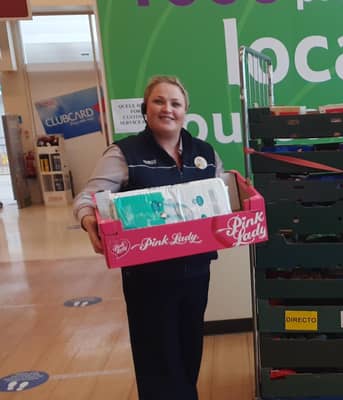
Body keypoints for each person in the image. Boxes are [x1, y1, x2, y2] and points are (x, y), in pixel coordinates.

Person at [73, 75, 224, 400]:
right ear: (145, 109)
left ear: (185, 112)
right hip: (148, 277)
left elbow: (222, 198)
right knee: (156, 357)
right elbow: (87, 198)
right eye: (159, 101)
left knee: (189, 349)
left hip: (197, 273)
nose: (167, 109)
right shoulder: (124, 153)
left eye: (175, 103)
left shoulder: (205, 154)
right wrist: (89, 221)